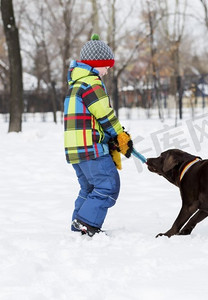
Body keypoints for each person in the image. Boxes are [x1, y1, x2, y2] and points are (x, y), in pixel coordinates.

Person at [64, 34, 133, 237]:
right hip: (91, 148)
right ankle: (87, 223)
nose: (107, 70)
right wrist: (120, 135)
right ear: (95, 64)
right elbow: (105, 114)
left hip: (76, 150)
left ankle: (78, 225)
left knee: (90, 187)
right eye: (106, 66)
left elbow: (89, 118)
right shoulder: (91, 83)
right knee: (108, 185)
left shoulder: (76, 84)